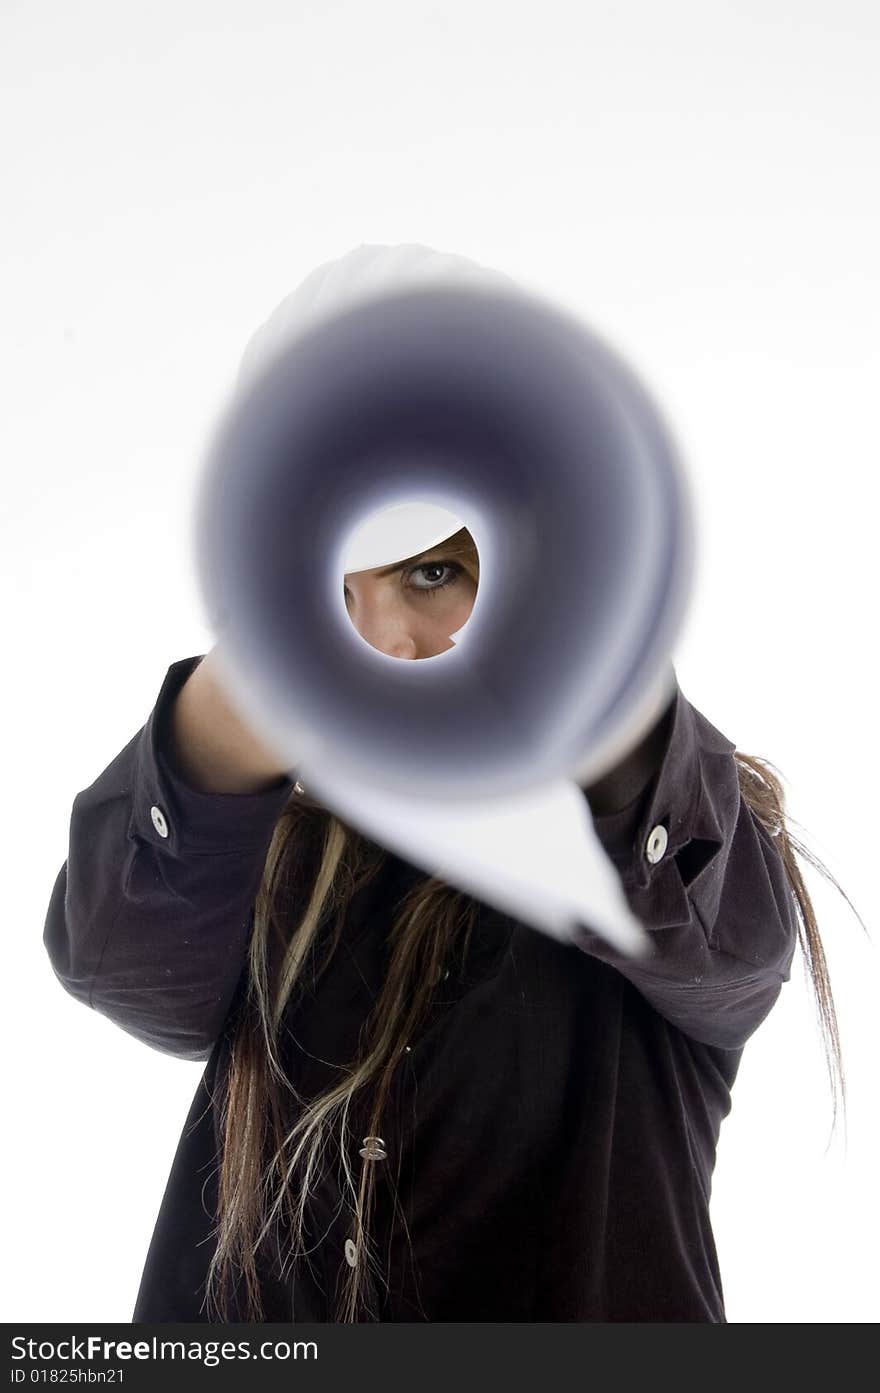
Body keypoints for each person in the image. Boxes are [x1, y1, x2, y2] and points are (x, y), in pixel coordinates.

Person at [43, 244, 850, 1323]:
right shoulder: (262, 847)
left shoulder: (664, 835)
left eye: (434, 569)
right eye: (333, 584)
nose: (386, 638)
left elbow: (726, 944)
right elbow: (117, 957)